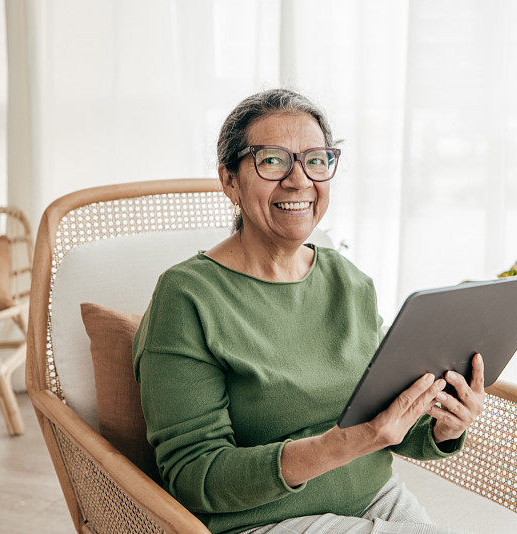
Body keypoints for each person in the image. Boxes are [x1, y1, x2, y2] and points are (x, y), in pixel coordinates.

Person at [132, 88, 486, 534]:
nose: (299, 181)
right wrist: (344, 445)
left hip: (374, 496)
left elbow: (385, 420)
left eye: (316, 160)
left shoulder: (348, 280)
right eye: (272, 161)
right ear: (229, 181)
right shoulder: (186, 297)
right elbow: (194, 477)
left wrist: (442, 427)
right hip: (259, 522)